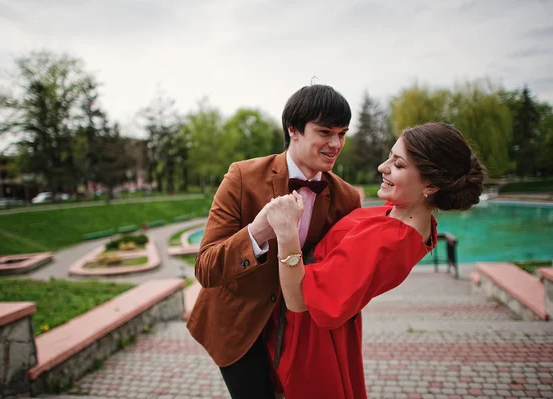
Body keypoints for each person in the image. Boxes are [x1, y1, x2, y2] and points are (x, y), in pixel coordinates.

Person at [263, 122, 486, 399]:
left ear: (430, 184)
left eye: (398, 164)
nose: (383, 167)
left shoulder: (388, 241)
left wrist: (286, 233)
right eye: (390, 157)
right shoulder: (409, 216)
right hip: (330, 330)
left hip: (311, 340)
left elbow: (298, 299)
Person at [186, 84, 362, 399]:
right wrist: (257, 233)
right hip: (240, 328)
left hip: (304, 332)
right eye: (325, 132)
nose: (336, 144)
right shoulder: (242, 178)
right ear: (293, 130)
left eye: (342, 133)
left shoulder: (347, 197)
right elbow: (205, 268)